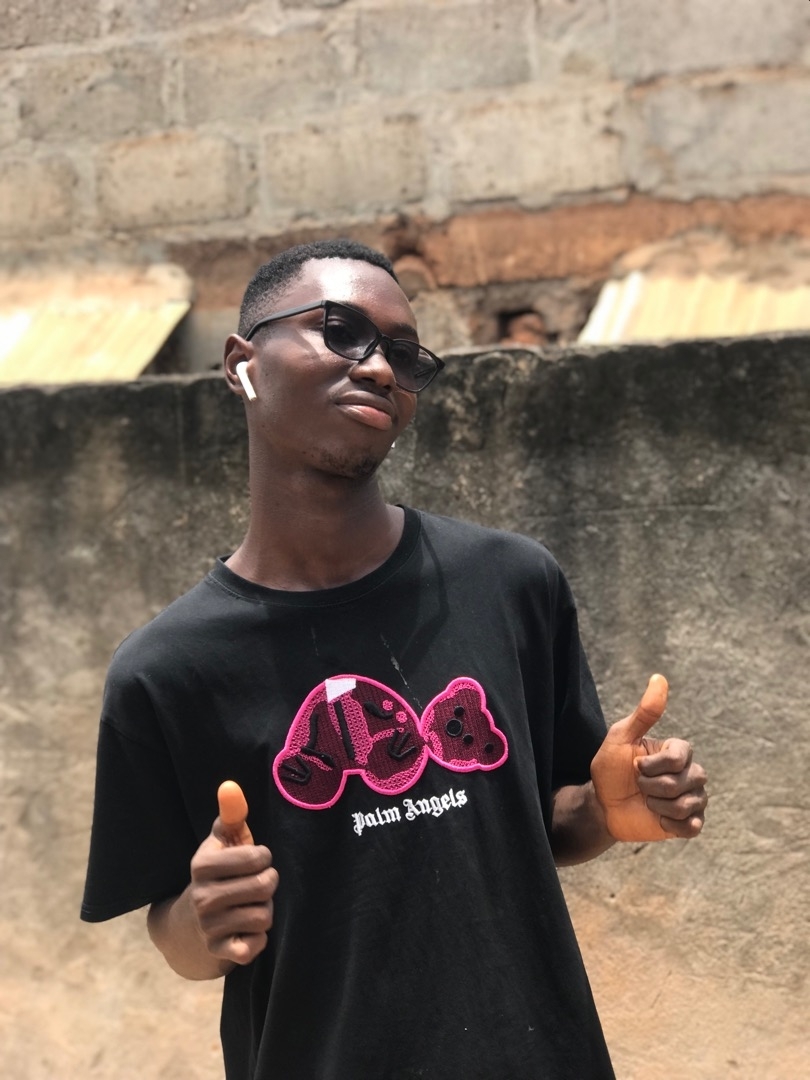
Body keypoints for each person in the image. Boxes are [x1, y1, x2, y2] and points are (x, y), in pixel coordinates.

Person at [81, 239, 708, 1080]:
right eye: (340, 331)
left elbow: (549, 823)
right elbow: (176, 933)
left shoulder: (510, 583)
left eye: (404, 354)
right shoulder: (167, 670)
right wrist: (203, 920)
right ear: (242, 365)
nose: (379, 368)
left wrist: (607, 809)